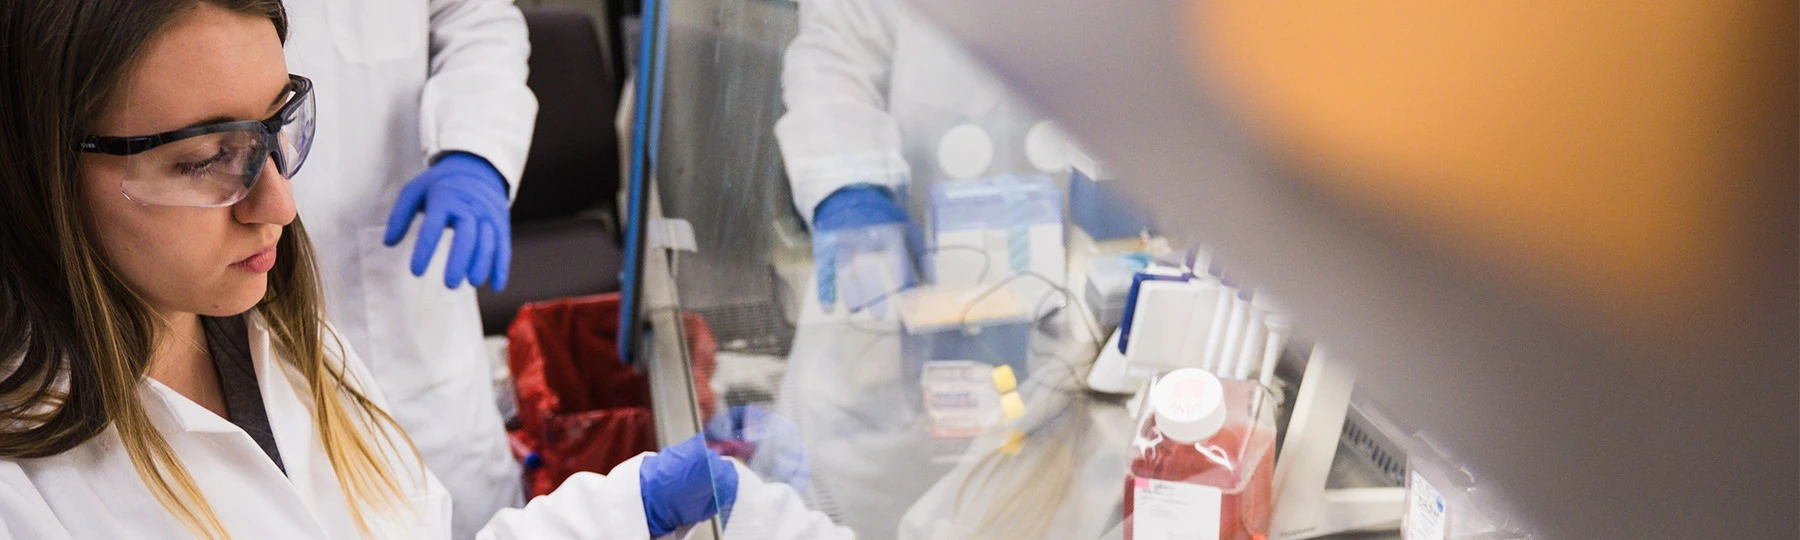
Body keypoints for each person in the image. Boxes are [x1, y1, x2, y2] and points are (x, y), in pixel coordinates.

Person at [0, 1, 851, 538]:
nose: (281, 206)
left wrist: (617, 515)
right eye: (204, 160)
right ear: (38, 167)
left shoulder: (295, 344)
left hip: (404, 313)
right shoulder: (29, 497)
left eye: (278, 124)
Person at [272, 1, 533, 536]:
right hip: (239, 317)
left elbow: (476, 14)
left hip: (411, 310)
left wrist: (475, 150)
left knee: (474, 518)